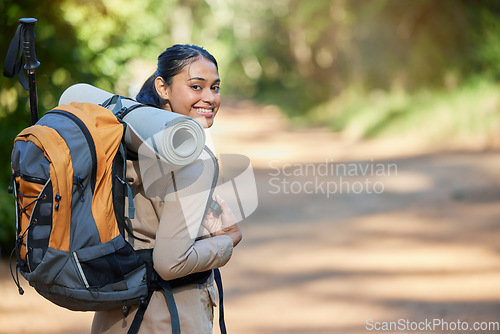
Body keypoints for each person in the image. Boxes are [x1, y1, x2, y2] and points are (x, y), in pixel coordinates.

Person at [91, 44, 242, 333]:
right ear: (163, 87)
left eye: (215, 87)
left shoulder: (123, 136)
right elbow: (169, 263)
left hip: (115, 316)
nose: (209, 98)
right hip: (170, 318)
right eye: (196, 86)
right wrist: (228, 239)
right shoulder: (194, 161)